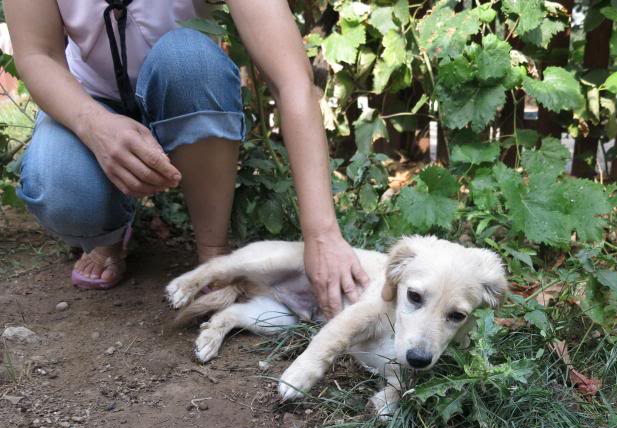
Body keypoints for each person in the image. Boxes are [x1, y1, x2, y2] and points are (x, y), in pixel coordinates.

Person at [5, 0, 369, 317]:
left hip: (183, 85)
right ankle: (110, 236)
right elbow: (38, 54)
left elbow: (291, 79)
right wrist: (93, 125)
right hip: (89, 98)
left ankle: (212, 251)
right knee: (62, 188)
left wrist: (321, 234)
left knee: (189, 60)